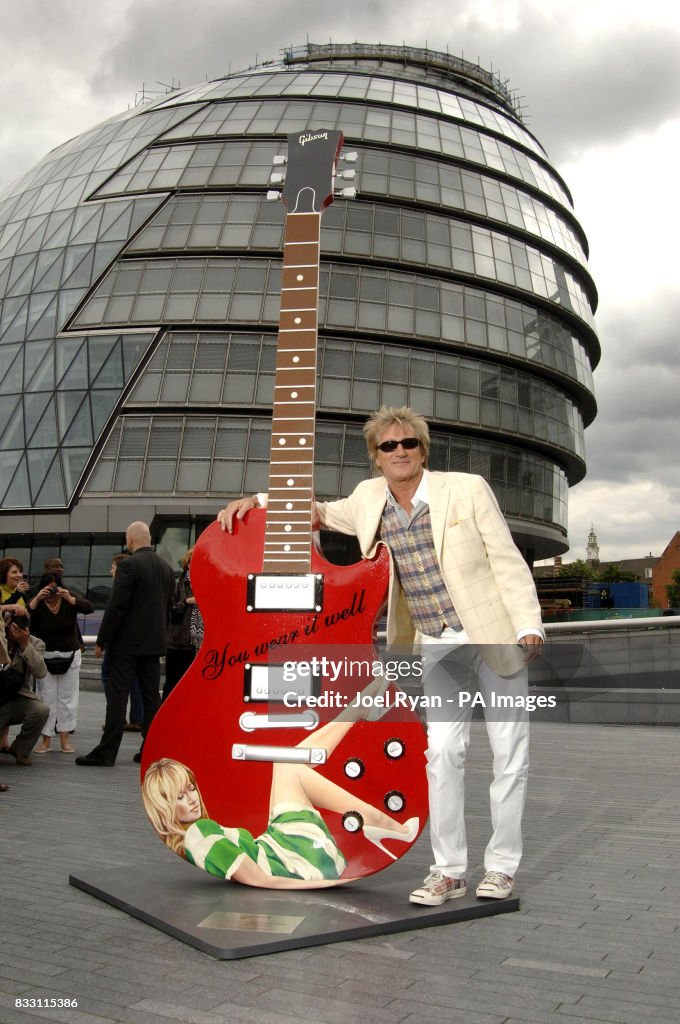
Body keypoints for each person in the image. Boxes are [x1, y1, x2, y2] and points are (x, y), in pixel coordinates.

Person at [219, 405, 544, 905]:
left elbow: (507, 559)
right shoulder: (369, 499)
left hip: (494, 636)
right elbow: (318, 511)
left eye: (408, 443)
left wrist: (528, 625)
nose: (399, 452)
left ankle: (500, 867)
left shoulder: (467, 488)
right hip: (438, 645)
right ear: (375, 457)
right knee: (441, 755)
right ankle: (449, 870)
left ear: (422, 449)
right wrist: (254, 501)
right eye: (388, 446)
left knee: (508, 757)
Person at [142, 685, 419, 887]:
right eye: (180, 796)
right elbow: (261, 880)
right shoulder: (200, 834)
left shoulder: (197, 835)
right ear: (163, 807)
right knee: (287, 764)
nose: (191, 798)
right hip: (298, 861)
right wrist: (323, 883)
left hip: (282, 847)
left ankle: (357, 710)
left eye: (190, 788)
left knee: (285, 762)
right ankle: (384, 821)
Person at [76, 522, 175, 767]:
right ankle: (151, 749)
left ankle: (107, 752)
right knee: (152, 697)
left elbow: (117, 606)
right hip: (153, 644)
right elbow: (170, 607)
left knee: (118, 697)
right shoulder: (166, 568)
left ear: (130, 539)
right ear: (148, 538)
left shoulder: (129, 565)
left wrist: (102, 639)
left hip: (127, 645)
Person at [28, 572, 93, 754]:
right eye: (48, 587)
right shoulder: (38, 601)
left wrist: (70, 598)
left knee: (68, 698)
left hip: (69, 653)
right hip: (45, 655)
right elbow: (25, 614)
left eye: (55, 586)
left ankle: (65, 739)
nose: (52, 590)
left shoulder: (68, 597)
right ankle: (46, 740)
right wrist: (37, 598)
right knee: (46, 698)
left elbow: (89, 608)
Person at [0, 612, 49, 767]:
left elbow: (40, 672)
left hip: (17, 697)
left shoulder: (35, 643)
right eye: (14, 629)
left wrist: (24, 645)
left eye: (22, 629)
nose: (17, 633)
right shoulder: (1, 639)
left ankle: (20, 750)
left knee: (40, 710)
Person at [101, 554, 143, 731]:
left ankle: (117, 718)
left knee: (110, 679)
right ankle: (137, 718)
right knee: (135, 682)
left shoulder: (121, 589)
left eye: (112, 567)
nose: (110, 570)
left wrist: (102, 640)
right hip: (137, 643)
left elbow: (114, 614)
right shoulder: (138, 589)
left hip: (119, 643)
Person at [0, 557, 31, 750]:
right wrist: (12, 602)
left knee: (10, 692)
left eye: (20, 571)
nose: (18, 575)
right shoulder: (3, 592)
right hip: (2, 648)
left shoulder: (19, 593)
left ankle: (4, 739)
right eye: (14, 572)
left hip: (16, 648)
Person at [163, 548, 196, 700]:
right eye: (193, 561)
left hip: (197, 645)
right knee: (172, 683)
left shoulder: (207, 584)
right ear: (188, 564)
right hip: (178, 643)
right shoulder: (179, 584)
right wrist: (186, 602)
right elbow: (170, 610)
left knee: (192, 686)